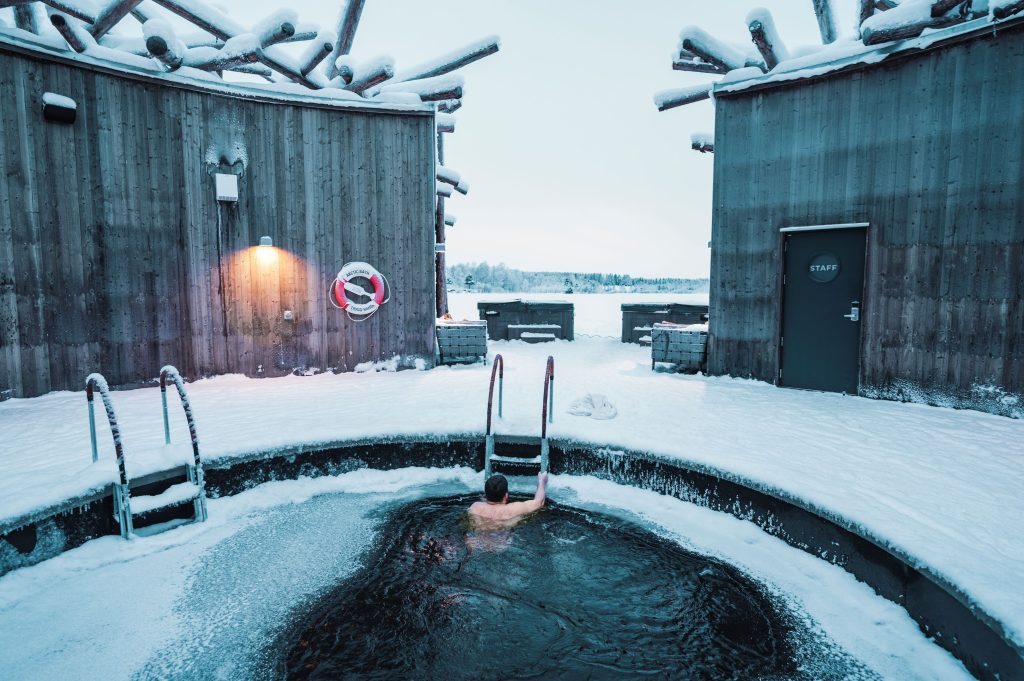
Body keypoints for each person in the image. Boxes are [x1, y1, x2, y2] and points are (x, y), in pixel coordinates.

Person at [468, 471, 547, 522]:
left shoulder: (475, 507)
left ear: (485, 494)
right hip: (501, 546)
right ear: (506, 496)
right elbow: (539, 502)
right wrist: (541, 481)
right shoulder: (513, 509)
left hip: (475, 543)